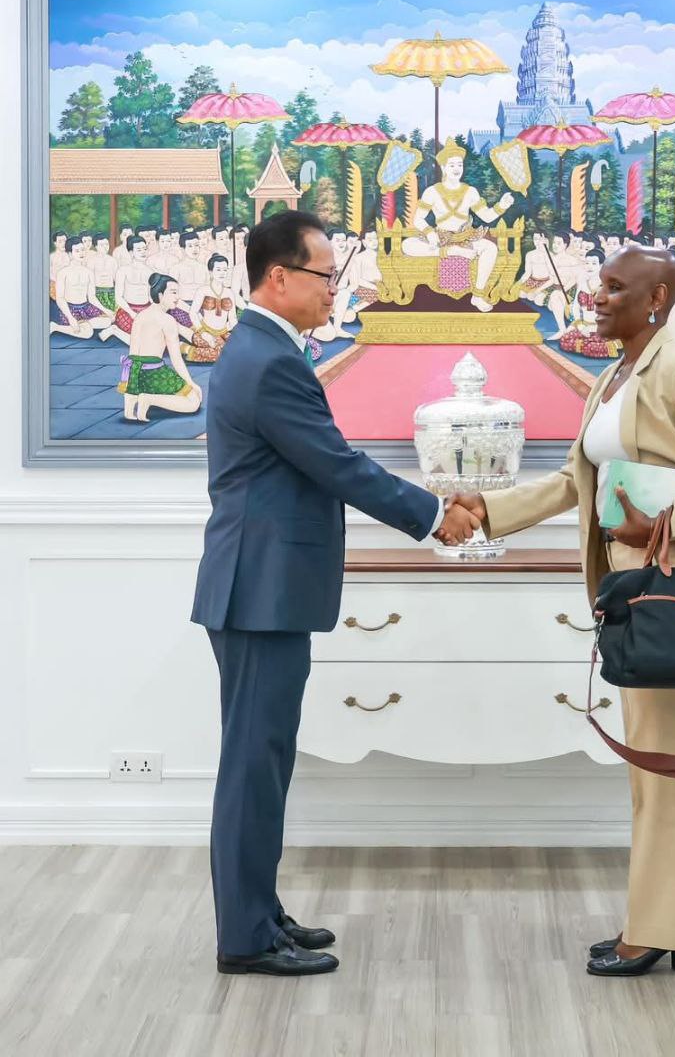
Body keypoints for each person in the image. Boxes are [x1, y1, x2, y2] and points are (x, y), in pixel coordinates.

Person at [451, 247, 675, 978]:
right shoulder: (611, 377)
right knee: (651, 764)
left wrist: (669, 522)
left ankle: (657, 928)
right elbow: (575, 482)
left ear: (656, 299)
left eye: (614, 287)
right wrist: (487, 510)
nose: (597, 297)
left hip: (670, 588)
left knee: (660, 763)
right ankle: (665, 921)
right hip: (629, 588)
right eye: (598, 285)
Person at [190, 211, 479, 978]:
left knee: (263, 760)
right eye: (325, 276)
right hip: (259, 589)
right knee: (253, 765)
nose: (333, 291)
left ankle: (259, 911)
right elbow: (336, 463)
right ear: (279, 277)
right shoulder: (268, 361)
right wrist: (432, 516)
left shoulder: (261, 350)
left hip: (260, 585)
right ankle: (245, 937)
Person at [402, 138, 514, 312]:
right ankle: (451, 252)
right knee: (407, 245)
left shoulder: (470, 191)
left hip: (465, 238)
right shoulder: (432, 191)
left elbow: (486, 216)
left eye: (459, 165)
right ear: (443, 167)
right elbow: (418, 219)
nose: (456, 169)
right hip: (442, 238)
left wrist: (502, 206)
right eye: (452, 165)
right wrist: (430, 233)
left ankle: (477, 296)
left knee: (491, 248)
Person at [117, 274, 203, 422]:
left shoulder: (140, 316)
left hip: (135, 374)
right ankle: (149, 399)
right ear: (160, 295)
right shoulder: (168, 320)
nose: (177, 297)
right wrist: (191, 383)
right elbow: (176, 359)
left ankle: (134, 404)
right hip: (154, 372)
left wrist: (130, 395)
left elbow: (132, 355)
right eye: (173, 292)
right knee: (194, 402)